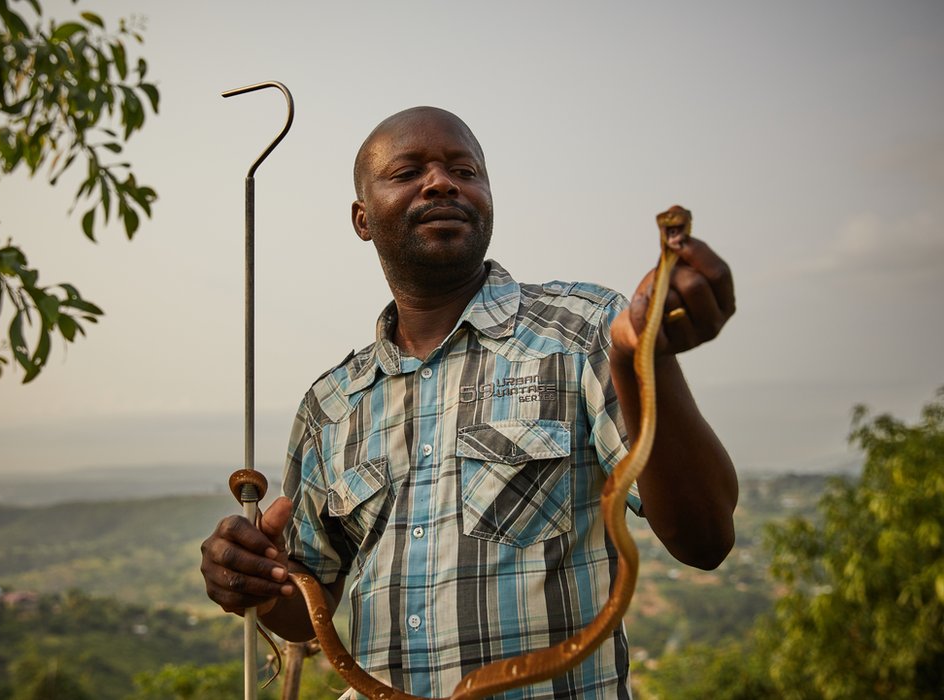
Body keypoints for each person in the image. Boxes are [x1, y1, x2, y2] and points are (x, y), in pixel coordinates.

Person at [201, 106, 738, 699]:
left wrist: (646, 361)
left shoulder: (587, 333)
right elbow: (310, 602)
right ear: (362, 218)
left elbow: (705, 539)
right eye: (407, 172)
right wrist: (256, 579)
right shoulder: (330, 405)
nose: (441, 182)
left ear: (487, 198)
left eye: (465, 170)